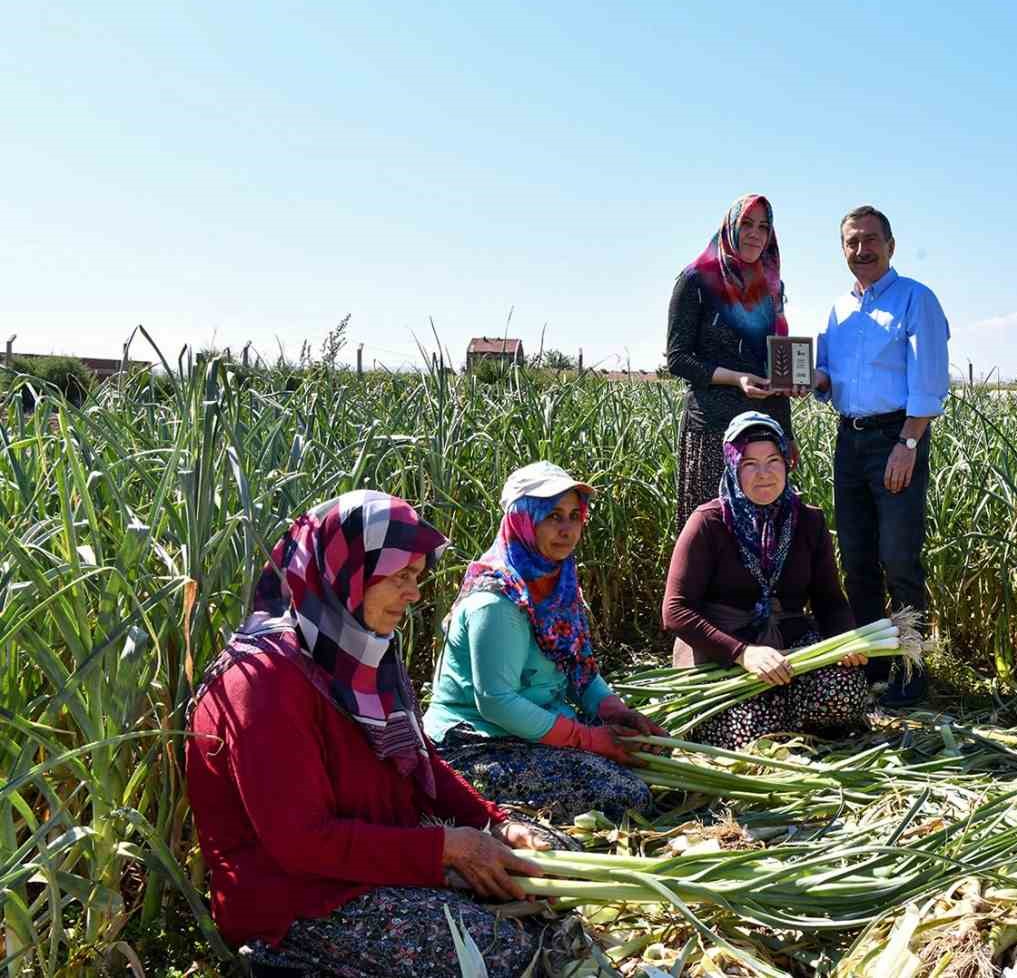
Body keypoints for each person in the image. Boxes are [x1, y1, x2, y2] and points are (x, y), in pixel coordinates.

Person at [187, 490, 565, 978]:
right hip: (295, 896)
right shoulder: (263, 680)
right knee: (500, 952)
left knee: (546, 864)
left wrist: (493, 822)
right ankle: (281, 962)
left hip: (376, 850)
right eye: (401, 577)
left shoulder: (357, 650)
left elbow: (418, 758)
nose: (415, 593)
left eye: (417, 578)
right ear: (347, 575)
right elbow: (301, 842)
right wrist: (448, 848)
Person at [425, 462, 666, 822]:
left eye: (574, 515)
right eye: (553, 516)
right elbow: (497, 702)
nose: (567, 529)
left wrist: (614, 709)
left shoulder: (559, 583)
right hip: (476, 744)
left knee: (654, 760)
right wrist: (589, 739)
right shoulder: (496, 599)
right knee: (626, 795)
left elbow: (578, 666)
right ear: (523, 520)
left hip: (537, 727)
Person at [662, 411, 871, 749]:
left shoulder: (808, 521)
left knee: (845, 694)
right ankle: (786, 727)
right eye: (749, 464)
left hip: (790, 648)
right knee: (755, 730)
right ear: (732, 466)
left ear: (788, 463)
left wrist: (842, 640)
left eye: (773, 460)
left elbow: (829, 600)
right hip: (724, 653)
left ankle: (798, 726)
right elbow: (676, 611)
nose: (764, 475)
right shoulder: (708, 522)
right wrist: (743, 654)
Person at [814, 205, 950, 706]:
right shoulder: (838, 310)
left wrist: (909, 443)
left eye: (870, 240)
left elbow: (930, 379)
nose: (861, 250)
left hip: (897, 438)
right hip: (849, 440)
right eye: (851, 242)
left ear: (890, 245)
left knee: (899, 557)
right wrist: (807, 377)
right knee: (857, 559)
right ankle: (874, 667)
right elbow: (827, 375)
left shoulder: (916, 299)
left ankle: (912, 672)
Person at [665, 193, 795, 529]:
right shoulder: (696, 279)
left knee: (761, 534)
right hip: (713, 429)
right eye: (747, 224)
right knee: (713, 531)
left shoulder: (772, 287)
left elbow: (775, 365)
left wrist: (788, 434)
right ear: (730, 227)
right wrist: (735, 378)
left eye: (763, 227)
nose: (755, 233)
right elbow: (678, 358)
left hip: (762, 435)